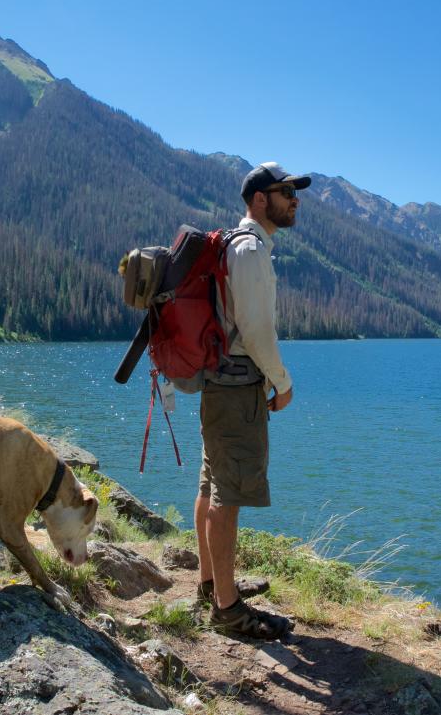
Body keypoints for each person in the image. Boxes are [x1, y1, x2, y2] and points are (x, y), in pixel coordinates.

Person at [193, 160, 310, 639]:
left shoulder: (237, 245)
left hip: (219, 384)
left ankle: (211, 585)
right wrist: (281, 383)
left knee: (210, 486)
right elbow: (258, 330)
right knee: (227, 495)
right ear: (260, 199)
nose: (294, 200)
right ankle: (228, 609)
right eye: (286, 192)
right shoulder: (249, 249)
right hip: (237, 388)